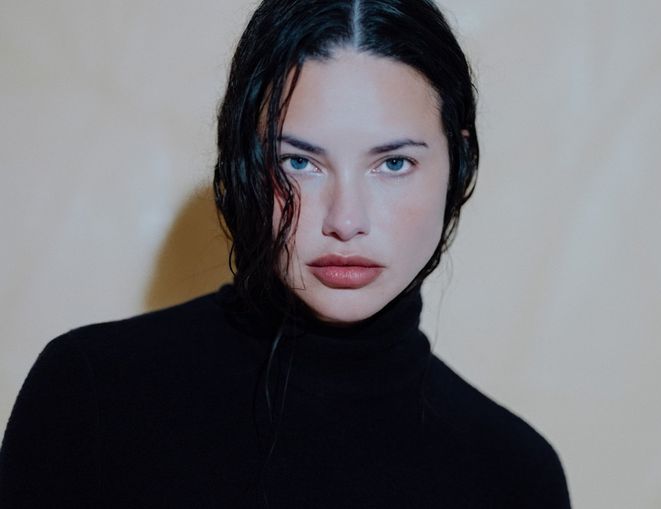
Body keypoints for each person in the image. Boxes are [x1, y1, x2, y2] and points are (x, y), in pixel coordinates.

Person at [0, 1, 570, 507]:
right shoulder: (94, 393)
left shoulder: (515, 473)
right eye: (299, 162)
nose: (346, 220)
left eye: (393, 163)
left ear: (458, 164)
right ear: (243, 162)